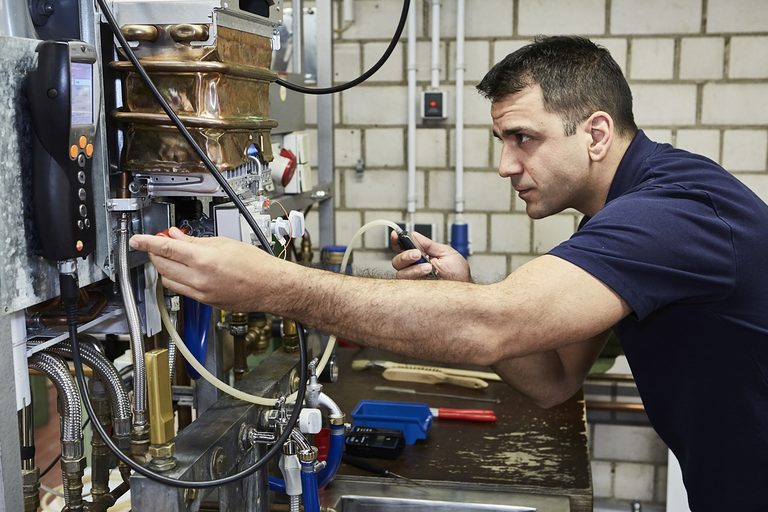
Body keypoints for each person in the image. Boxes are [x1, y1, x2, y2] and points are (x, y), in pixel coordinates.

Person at [130, 36, 768, 510]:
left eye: (524, 138)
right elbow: (553, 381)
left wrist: (268, 284)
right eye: (502, 141)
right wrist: (461, 292)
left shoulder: (672, 211)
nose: (505, 165)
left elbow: (496, 325)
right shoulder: (615, 214)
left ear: (595, 132)